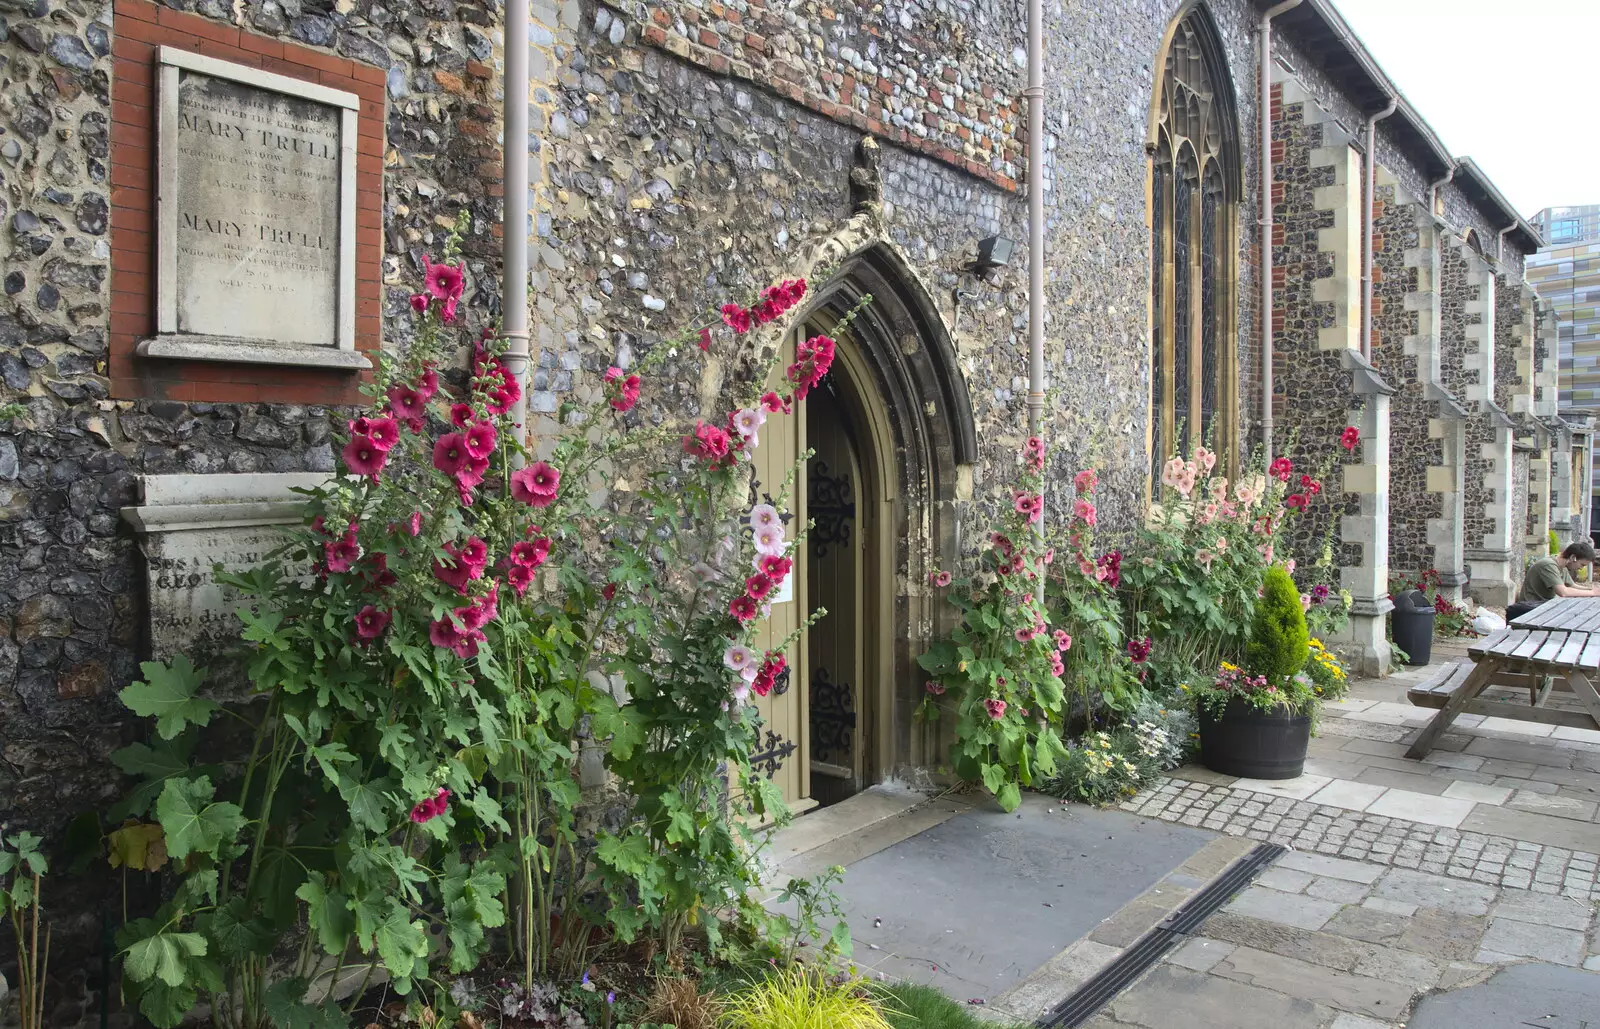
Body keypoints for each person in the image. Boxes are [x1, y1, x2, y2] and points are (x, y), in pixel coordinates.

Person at [1515, 541, 1600, 612]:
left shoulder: (1563, 566)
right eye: (1582, 564)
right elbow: (1563, 592)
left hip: (1543, 605)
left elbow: (1573, 586)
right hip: (1530, 607)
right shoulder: (1548, 565)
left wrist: (1593, 590)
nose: (1581, 568)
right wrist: (1593, 593)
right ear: (1573, 557)